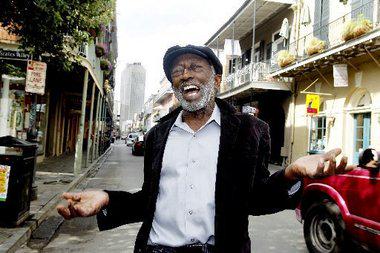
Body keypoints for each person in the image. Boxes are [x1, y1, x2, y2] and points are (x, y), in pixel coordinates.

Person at [57, 45, 355, 253]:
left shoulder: (251, 131)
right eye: (178, 70)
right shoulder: (158, 135)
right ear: (174, 85)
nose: (185, 74)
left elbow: (256, 200)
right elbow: (150, 200)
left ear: (216, 79)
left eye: (195, 67)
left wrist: (291, 173)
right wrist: (106, 198)